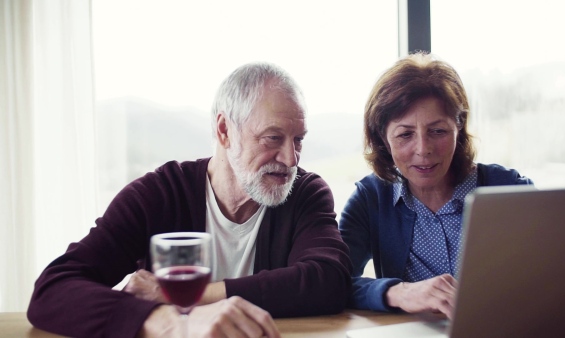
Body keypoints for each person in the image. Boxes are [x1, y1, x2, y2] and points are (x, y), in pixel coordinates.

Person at [27, 62, 352, 338]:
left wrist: (182, 296)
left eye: (298, 140)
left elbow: (329, 280)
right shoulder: (157, 195)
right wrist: (168, 321)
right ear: (224, 130)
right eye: (273, 138)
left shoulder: (305, 192)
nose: (291, 159)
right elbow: (52, 291)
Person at [338, 52, 533, 319]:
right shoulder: (371, 198)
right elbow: (333, 282)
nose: (423, 149)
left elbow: (558, 272)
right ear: (383, 138)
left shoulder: (509, 189)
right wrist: (399, 292)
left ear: (459, 126)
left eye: (438, 131)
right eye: (405, 134)